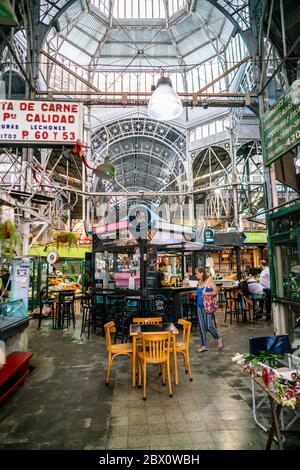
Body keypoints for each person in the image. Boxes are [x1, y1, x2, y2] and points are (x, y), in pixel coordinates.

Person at [196, 267, 223, 352]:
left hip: (207, 306)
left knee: (208, 326)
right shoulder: (199, 282)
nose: (196, 275)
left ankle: (218, 338)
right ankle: (203, 346)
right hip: (199, 306)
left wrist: (207, 293)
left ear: (202, 273)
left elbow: (216, 292)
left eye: (197, 273)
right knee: (201, 326)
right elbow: (198, 293)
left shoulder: (209, 281)